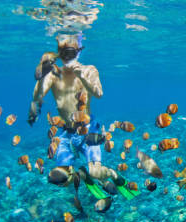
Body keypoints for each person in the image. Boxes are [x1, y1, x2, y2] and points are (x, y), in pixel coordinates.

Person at [28, 34, 131, 196]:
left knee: (96, 172)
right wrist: (42, 72)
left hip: (88, 130)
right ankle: (83, 174)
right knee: (62, 179)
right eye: (64, 52)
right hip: (66, 131)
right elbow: (37, 95)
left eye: (71, 52)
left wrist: (82, 77)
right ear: (59, 54)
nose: (68, 57)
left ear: (79, 51)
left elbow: (99, 94)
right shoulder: (53, 75)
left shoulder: (89, 70)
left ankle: (110, 174)